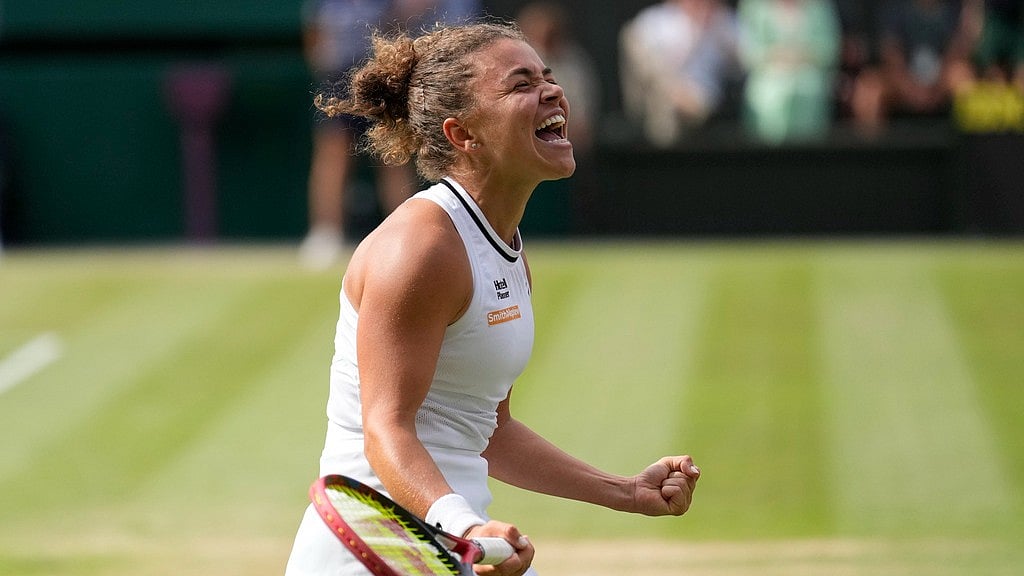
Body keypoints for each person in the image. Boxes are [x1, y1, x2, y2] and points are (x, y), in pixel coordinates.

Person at [284, 20, 701, 576]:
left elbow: (489, 431)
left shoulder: (499, 243)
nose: (552, 91)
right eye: (521, 84)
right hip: (376, 553)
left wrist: (625, 491)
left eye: (548, 77)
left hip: (456, 544)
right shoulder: (420, 248)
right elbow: (387, 427)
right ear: (462, 134)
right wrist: (465, 528)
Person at [298, 0, 481, 270]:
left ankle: (405, 233)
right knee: (333, 154)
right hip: (340, 70)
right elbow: (315, 28)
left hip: (385, 67)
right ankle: (326, 234)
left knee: (393, 156)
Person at [619, 0, 741, 147]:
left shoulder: (725, 21)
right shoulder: (654, 21)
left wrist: (714, 28)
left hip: (707, 99)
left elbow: (742, 62)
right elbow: (646, 68)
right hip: (661, 97)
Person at [736, 0, 842, 144]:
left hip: (810, 81)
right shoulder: (753, 6)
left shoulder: (820, 6)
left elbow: (830, 50)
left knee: (810, 91)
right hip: (767, 80)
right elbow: (747, 52)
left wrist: (801, 56)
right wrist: (778, 56)